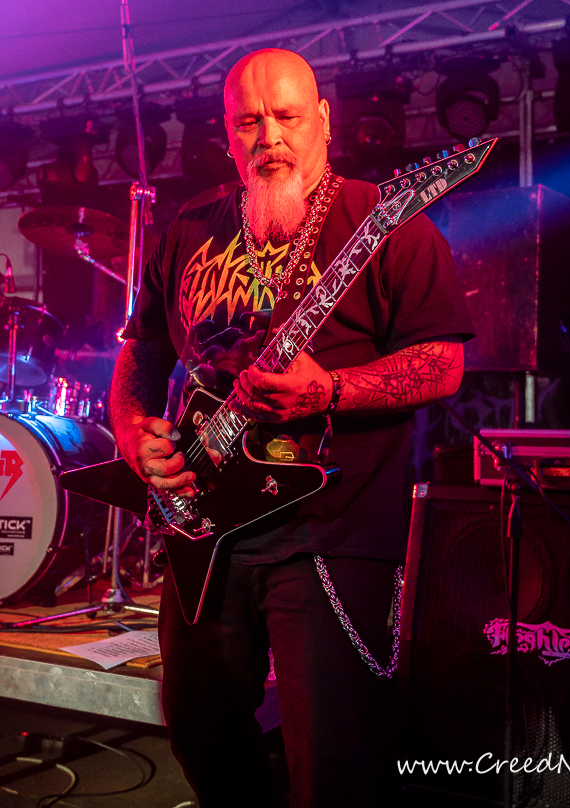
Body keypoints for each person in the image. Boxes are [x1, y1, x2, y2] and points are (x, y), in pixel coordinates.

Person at [109, 48, 474, 807]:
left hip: (332, 530)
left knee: (332, 758)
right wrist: (133, 429)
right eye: (249, 121)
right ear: (227, 132)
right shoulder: (191, 226)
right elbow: (141, 353)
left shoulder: (386, 222)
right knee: (200, 728)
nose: (269, 136)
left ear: (324, 121)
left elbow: (441, 364)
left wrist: (329, 390)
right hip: (205, 525)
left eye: (286, 116)